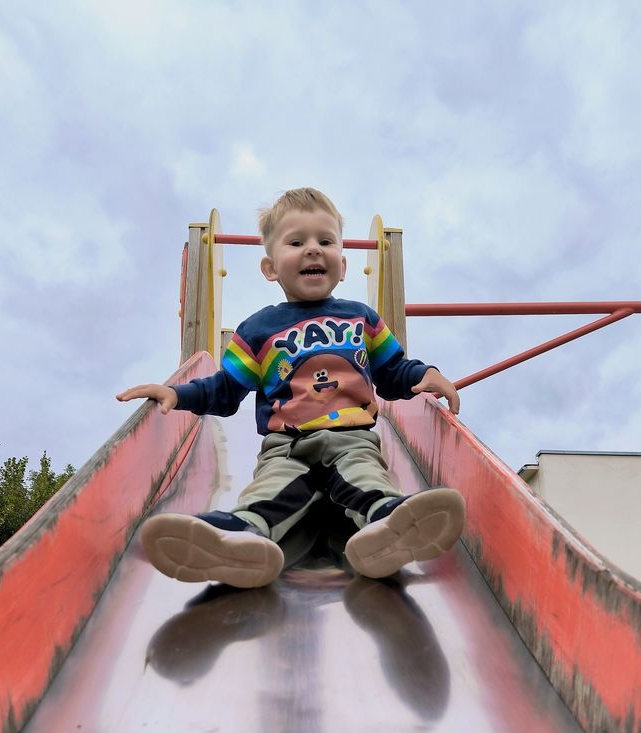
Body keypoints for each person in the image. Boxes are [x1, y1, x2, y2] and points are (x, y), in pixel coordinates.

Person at [117, 187, 465, 589]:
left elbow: (392, 371)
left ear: (343, 265)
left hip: (352, 438)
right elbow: (225, 389)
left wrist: (424, 374)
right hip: (286, 445)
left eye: (326, 241)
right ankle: (239, 539)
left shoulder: (363, 319)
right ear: (270, 268)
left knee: (365, 477)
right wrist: (178, 395)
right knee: (270, 490)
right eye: (296, 242)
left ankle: (388, 525)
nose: (313, 249)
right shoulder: (257, 329)